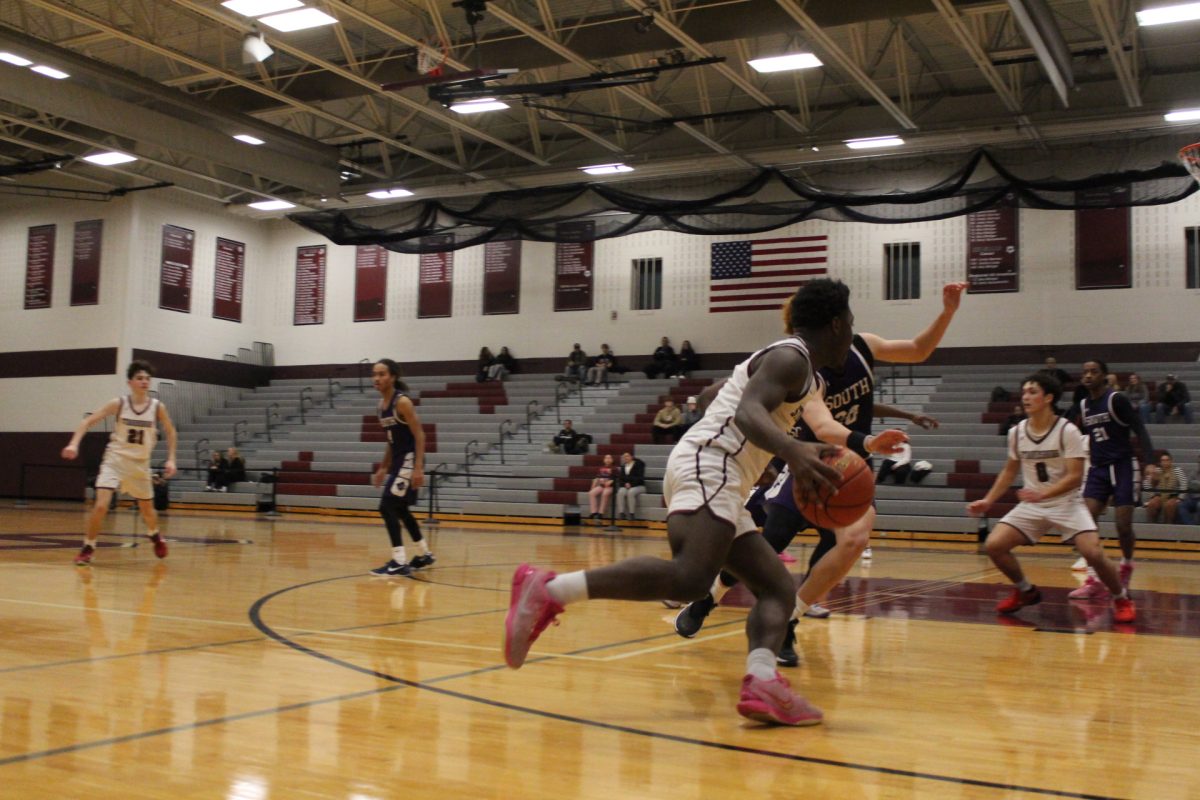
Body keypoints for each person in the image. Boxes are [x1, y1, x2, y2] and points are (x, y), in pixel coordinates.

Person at [504, 278, 861, 727]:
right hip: (710, 465)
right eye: (850, 322)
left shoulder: (797, 368)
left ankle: (763, 682)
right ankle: (549, 590)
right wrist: (788, 451)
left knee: (777, 588)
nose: (852, 331)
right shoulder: (792, 357)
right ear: (835, 324)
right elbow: (747, 412)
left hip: (721, 472)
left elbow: (717, 397)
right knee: (691, 577)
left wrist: (762, 459)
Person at [674, 282, 965, 655]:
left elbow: (918, 350)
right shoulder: (808, 372)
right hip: (807, 460)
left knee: (851, 540)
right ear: (833, 324)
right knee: (772, 539)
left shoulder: (863, 347)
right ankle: (709, 597)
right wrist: (868, 441)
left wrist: (948, 312)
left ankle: (789, 620)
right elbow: (826, 428)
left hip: (851, 466)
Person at [966, 373, 1135, 623]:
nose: (1025, 397)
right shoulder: (1016, 432)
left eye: (1032, 392)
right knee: (994, 545)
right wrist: (989, 500)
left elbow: (1075, 477)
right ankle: (1025, 591)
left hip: (1066, 502)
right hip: (1034, 504)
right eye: (1024, 392)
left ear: (1048, 398)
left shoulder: (1067, 430)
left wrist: (1043, 493)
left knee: (1094, 553)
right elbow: (1010, 470)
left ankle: (1121, 597)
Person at [61, 360, 177, 566]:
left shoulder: (157, 407)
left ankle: (155, 534)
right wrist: (73, 444)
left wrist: (171, 458)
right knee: (100, 506)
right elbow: (87, 421)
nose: (144, 382)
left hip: (140, 465)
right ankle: (88, 547)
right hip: (115, 459)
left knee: (148, 512)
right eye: (140, 378)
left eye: (147, 379)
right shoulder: (119, 404)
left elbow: (170, 431)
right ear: (130, 382)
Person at [1068, 359, 1154, 597]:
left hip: (1122, 465)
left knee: (1123, 526)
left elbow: (1140, 428)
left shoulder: (1117, 399)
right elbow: (1065, 427)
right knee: (1085, 525)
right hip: (1097, 468)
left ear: (1104, 376)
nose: (1088, 376)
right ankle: (1093, 579)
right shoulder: (1083, 405)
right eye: (1084, 372)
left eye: (1093, 372)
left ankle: (1126, 564)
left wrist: (1150, 461)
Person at [368, 358, 434, 577]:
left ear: (393, 377)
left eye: (382, 374)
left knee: (386, 507)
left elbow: (420, 435)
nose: (377, 378)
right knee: (400, 509)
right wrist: (383, 467)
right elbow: (390, 441)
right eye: (374, 374)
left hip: (409, 461)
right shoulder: (381, 407)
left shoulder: (402, 402)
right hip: (398, 461)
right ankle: (424, 554)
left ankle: (398, 561)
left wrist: (418, 468)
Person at [1143, 451, 1187, 524]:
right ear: (1160, 462)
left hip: (1173, 496)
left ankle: (1168, 525)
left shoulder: (1177, 470)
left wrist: (1180, 498)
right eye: (1163, 460)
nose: (1165, 462)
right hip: (1159, 495)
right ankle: (1152, 525)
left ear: (1171, 461)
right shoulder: (1157, 471)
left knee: (1169, 505)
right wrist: (1152, 496)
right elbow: (1146, 482)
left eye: (1167, 460)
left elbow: (1184, 483)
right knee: (1152, 504)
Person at [615, 451, 646, 520]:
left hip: (639, 486)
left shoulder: (638, 464)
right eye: (624, 456)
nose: (625, 458)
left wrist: (631, 484)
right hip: (626, 486)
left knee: (631, 492)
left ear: (632, 457)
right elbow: (621, 479)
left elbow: (640, 477)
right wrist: (625, 484)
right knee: (620, 492)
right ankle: (621, 513)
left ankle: (632, 513)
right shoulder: (623, 466)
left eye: (627, 456)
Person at [587, 453, 616, 522]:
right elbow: (596, 478)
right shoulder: (601, 468)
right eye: (606, 458)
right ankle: (594, 512)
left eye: (609, 458)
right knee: (591, 493)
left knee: (605, 493)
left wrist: (609, 483)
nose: (608, 460)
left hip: (609, 487)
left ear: (612, 460)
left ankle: (601, 513)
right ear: (604, 460)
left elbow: (615, 479)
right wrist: (592, 487)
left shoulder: (614, 468)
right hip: (601, 486)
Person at [1178, 455, 1200, 525]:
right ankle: (1191, 526)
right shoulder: (1193, 473)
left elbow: (1194, 485)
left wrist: (1196, 484)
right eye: (1199, 462)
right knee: (1181, 505)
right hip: (1193, 498)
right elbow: (1189, 484)